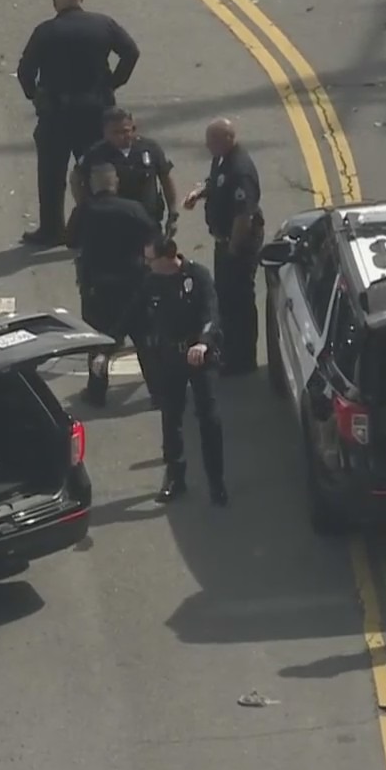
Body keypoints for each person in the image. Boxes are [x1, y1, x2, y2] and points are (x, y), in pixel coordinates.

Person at [16, 0, 141, 246]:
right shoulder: (103, 24)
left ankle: (52, 229)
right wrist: (112, 83)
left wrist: (35, 95)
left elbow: (26, 71)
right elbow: (131, 52)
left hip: (58, 113)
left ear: (54, 3)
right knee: (99, 169)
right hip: (97, 111)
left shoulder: (46, 32)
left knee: (52, 173)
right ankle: (102, 226)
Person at [109, 236, 228, 505]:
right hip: (170, 357)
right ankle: (175, 475)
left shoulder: (197, 277)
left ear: (165, 258)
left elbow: (211, 315)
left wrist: (203, 343)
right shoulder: (151, 281)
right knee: (170, 415)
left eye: (149, 259)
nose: (145, 264)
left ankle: (216, 481)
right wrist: (107, 346)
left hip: (199, 355)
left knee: (208, 418)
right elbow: (131, 314)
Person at [69, 161, 159, 405]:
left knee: (98, 341)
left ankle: (97, 392)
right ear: (115, 182)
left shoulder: (85, 211)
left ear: (93, 185)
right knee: (144, 339)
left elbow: (71, 240)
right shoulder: (134, 209)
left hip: (97, 288)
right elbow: (153, 239)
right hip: (134, 284)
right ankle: (158, 391)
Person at [181, 118, 265, 374]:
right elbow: (216, 182)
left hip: (237, 245)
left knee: (238, 301)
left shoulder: (240, 169)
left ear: (228, 139)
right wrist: (200, 192)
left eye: (213, 141)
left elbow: (244, 216)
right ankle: (229, 350)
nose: (208, 147)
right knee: (226, 299)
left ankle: (242, 359)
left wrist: (233, 248)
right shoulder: (222, 160)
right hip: (224, 241)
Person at [74, 107, 179, 232]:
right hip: (111, 225)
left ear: (133, 128)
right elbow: (76, 179)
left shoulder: (150, 148)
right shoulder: (95, 154)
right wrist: (84, 208)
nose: (121, 136)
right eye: (115, 132)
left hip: (147, 220)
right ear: (105, 132)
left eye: (125, 131)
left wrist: (172, 213)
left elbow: (166, 179)